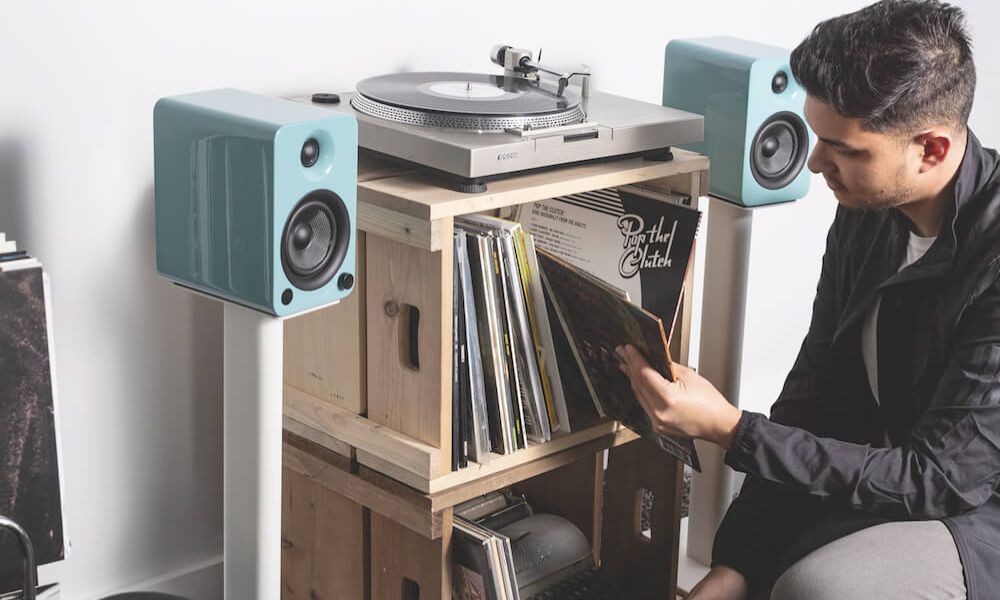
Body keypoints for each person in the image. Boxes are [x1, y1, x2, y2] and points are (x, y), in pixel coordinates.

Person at [617, 1, 1000, 598]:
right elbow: (814, 397)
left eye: (844, 149)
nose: (816, 162)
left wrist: (732, 431)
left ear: (931, 150)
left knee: (817, 588)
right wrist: (735, 566)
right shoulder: (869, 214)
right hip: (907, 466)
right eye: (816, 135)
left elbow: (940, 480)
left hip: (977, 506)